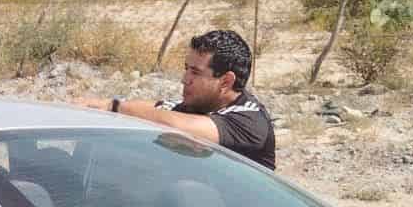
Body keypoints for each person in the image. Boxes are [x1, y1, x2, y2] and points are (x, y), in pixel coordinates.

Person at [75, 28, 276, 169]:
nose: (184, 79)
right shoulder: (200, 104)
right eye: (186, 69)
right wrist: (99, 106)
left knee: (185, 192)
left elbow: (178, 124)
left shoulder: (249, 119)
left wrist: (115, 106)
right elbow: (158, 107)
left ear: (225, 81)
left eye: (195, 73)